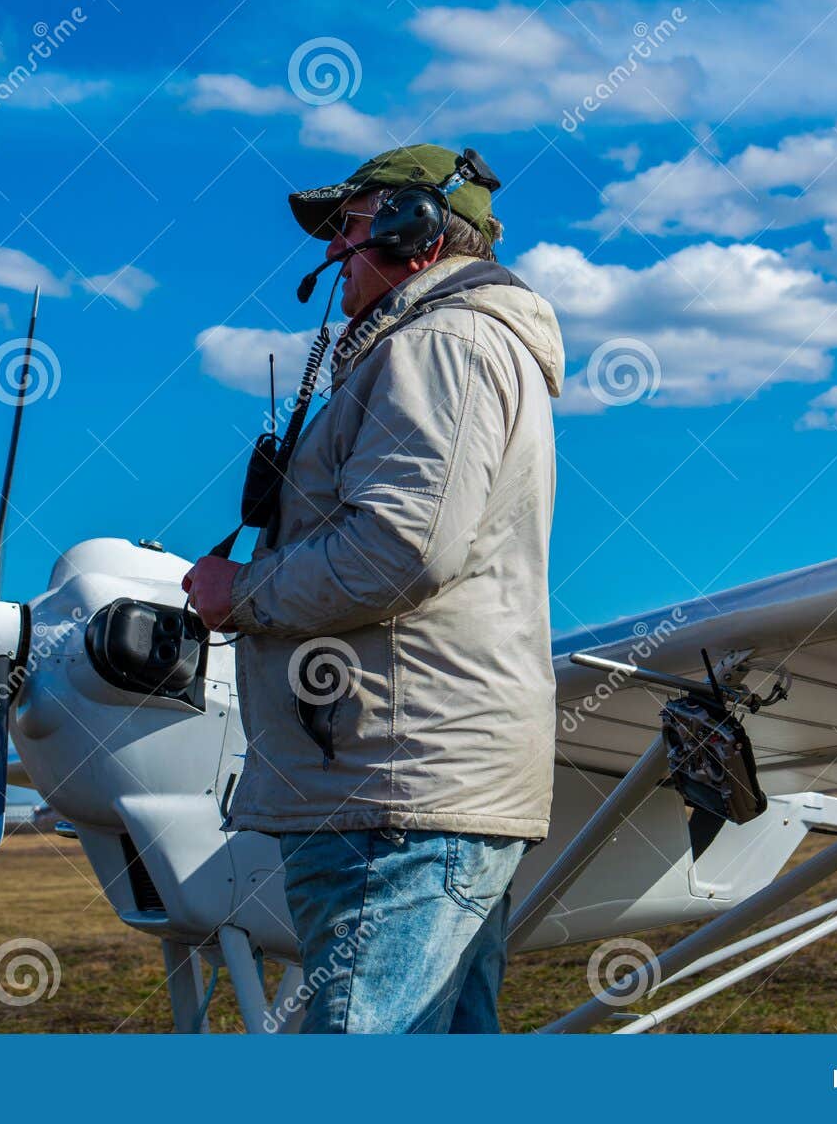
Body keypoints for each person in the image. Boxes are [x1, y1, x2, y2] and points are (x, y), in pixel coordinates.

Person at [183, 143, 563, 1033]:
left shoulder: (440, 344)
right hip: (405, 792)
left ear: (412, 232)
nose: (333, 253)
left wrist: (241, 590)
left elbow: (402, 548)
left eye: (348, 228)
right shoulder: (442, 346)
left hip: (392, 798)